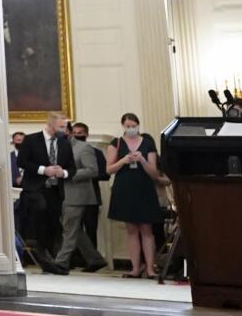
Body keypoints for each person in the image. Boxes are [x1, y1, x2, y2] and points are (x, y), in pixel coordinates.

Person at [16, 113, 77, 274]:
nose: (65, 130)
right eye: (61, 127)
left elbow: (72, 168)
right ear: (51, 125)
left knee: (53, 225)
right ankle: (42, 255)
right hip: (35, 189)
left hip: (56, 190)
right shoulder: (31, 140)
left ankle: (51, 262)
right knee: (39, 217)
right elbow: (21, 161)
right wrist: (44, 170)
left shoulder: (64, 144)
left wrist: (62, 173)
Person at [106, 113, 163, 278]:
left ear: (138, 125)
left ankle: (150, 268)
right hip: (124, 188)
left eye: (133, 125)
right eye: (128, 126)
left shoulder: (147, 143)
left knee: (146, 229)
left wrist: (143, 160)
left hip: (144, 188)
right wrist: (123, 160)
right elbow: (109, 170)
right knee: (131, 230)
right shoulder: (115, 143)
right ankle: (135, 268)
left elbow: (154, 173)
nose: (131, 129)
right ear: (123, 126)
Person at [53, 123, 108, 273]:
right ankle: (95, 259)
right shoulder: (55, 148)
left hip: (78, 194)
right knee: (74, 229)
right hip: (60, 194)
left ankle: (60, 263)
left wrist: (67, 174)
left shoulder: (83, 148)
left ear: (70, 132)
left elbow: (92, 170)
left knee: (69, 229)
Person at [71, 121, 106, 248]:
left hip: (91, 196)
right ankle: (75, 258)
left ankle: (92, 260)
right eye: (74, 133)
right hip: (73, 196)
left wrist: (85, 174)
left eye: (80, 133)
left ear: (86, 134)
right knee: (73, 230)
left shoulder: (96, 152)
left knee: (91, 229)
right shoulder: (69, 151)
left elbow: (105, 174)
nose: (77, 135)